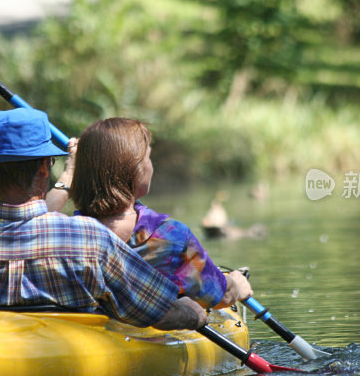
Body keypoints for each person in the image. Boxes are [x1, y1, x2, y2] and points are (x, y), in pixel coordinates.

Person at [0, 108, 207, 331]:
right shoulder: (90, 238)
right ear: (43, 168)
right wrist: (194, 315)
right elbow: (159, 311)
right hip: (57, 362)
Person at [47, 117, 253, 310]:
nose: (151, 165)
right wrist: (236, 284)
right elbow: (219, 296)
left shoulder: (63, 232)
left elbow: (35, 220)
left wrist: (69, 173)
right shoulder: (169, 235)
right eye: (148, 157)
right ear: (136, 170)